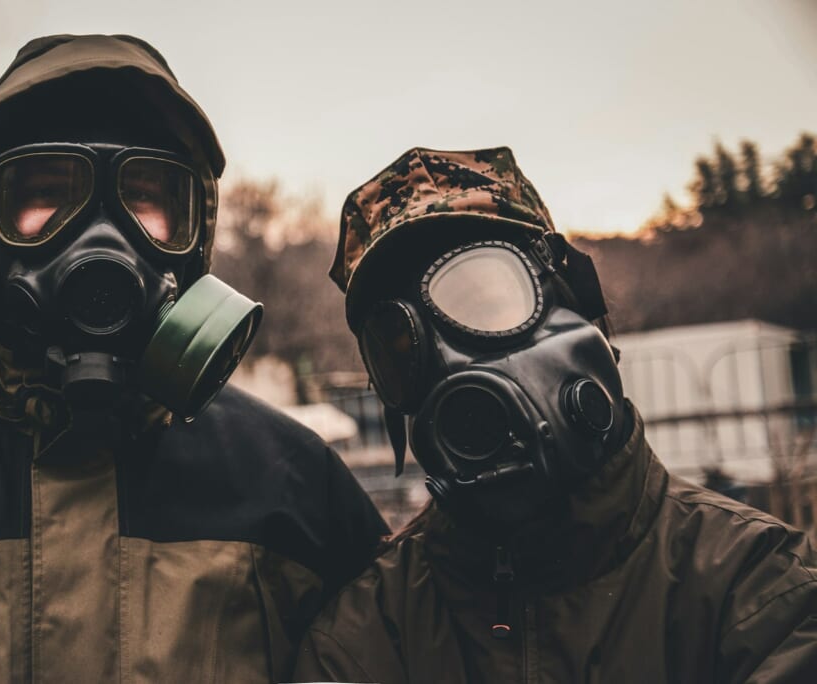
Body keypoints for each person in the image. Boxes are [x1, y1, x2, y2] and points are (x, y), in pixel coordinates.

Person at [0, 34, 388, 683]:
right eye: (46, 194)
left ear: (194, 240)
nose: (99, 238)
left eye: (145, 200)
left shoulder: (297, 489)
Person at [293, 146, 817, 683]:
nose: (449, 366)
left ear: (579, 307)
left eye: (482, 301)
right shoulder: (365, 637)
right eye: (400, 347)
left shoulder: (758, 592)